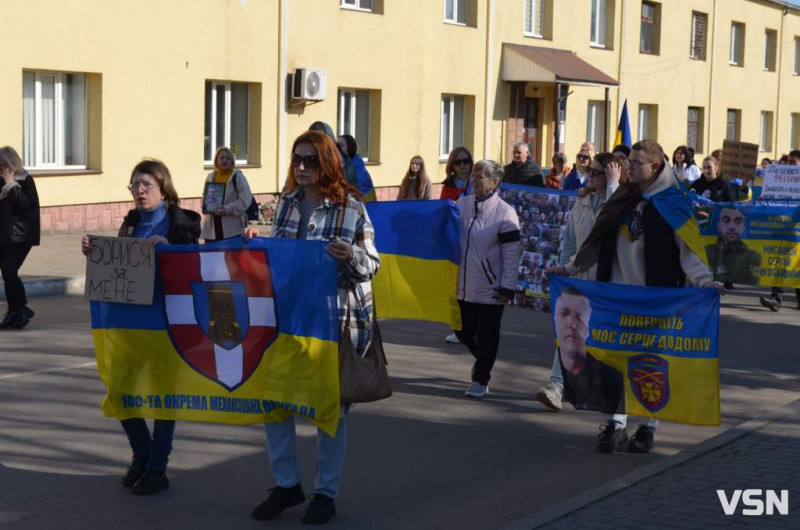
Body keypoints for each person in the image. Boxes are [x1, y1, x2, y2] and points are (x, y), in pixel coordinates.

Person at [551, 140, 721, 454]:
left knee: (650, 365)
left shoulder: (675, 201)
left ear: (655, 167)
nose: (629, 167)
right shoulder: (623, 198)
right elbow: (596, 242)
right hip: (617, 298)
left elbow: (689, 252)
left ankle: (647, 426)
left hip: (654, 301)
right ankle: (615, 425)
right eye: (629, 161)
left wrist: (704, 281)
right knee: (614, 361)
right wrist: (569, 268)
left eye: (637, 163)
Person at [248, 131, 380, 525]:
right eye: (296, 160)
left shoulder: (352, 206)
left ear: (327, 163)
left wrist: (351, 254)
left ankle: (325, 493)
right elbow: (281, 261)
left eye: (310, 161)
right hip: (287, 318)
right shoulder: (285, 204)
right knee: (272, 401)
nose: (301, 168)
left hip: (332, 319)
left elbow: (372, 262)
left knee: (329, 411)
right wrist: (256, 246)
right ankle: (287, 484)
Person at [81, 158, 201, 494]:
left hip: (164, 326)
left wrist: (172, 251)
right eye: (134, 184)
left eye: (146, 184)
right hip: (128, 326)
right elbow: (119, 268)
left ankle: (157, 467)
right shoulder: (131, 222)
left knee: (163, 398)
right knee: (120, 391)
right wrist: (95, 254)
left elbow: (194, 270)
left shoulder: (181, 227)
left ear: (163, 188)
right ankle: (142, 453)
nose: (139, 190)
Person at [536, 153, 624, 411]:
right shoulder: (582, 201)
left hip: (608, 281)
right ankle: (556, 386)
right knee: (568, 330)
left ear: (612, 174)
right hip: (579, 277)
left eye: (598, 172)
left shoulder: (619, 199)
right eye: (591, 171)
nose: (590, 176)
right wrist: (564, 271)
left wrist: (613, 187)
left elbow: (612, 219)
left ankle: (608, 395)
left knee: (601, 337)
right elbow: (571, 242)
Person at [454, 159, 520, 398]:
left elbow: (511, 254)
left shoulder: (506, 213)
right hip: (462, 284)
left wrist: (507, 286)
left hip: (491, 287)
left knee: (488, 333)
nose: (474, 180)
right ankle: (483, 358)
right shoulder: (461, 205)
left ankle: (481, 379)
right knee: (461, 330)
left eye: (480, 176)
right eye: (473, 175)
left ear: (494, 182)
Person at [553, 288, 624, 413]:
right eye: (564, 313)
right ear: (555, 319)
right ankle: (556, 385)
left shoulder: (610, 377)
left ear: (589, 322)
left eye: (579, 317)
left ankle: (619, 425)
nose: (571, 324)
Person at [0, 146, 40, 330]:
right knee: (7, 274)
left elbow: (26, 205)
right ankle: (14, 311)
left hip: (22, 235)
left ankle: (21, 309)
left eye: (4, 164)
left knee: (9, 270)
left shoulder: (25, 180)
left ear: (12, 162)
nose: (2, 168)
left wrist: (10, 184)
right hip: (5, 235)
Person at [760, 149, 800, 311]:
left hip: (797, 231)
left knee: (797, 265)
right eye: (788, 162)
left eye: (793, 163)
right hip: (780, 229)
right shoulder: (777, 180)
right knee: (778, 262)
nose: (789, 165)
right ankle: (775, 299)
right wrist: (764, 198)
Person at [200, 146, 254, 242]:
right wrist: (205, 207)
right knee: (212, 256)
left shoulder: (238, 177)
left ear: (232, 161)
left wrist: (226, 209)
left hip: (231, 230)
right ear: (216, 160)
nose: (225, 160)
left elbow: (245, 200)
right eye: (222, 158)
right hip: (212, 229)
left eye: (228, 158)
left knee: (230, 257)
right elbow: (205, 197)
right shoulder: (210, 176)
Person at [705, 206, 761, 285]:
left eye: (738, 222)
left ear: (744, 227)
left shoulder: (753, 257)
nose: (732, 227)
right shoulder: (707, 253)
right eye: (726, 221)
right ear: (719, 225)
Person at [337, 134, 376, 201]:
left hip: (364, 200)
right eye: (337, 145)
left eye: (341, 146)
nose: (338, 148)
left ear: (350, 147)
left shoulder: (353, 166)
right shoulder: (355, 159)